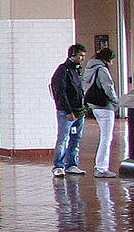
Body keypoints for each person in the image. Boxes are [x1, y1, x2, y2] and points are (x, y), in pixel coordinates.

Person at [50, 43, 89, 177]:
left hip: (79, 110)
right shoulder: (63, 70)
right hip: (67, 112)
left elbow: (79, 90)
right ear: (73, 55)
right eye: (81, 56)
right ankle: (58, 165)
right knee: (63, 138)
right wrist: (67, 111)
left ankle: (72, 164)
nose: (83, 58)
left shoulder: (77, 70)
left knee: (75, 138)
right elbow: (60, 92)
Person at [82, 46, 120, 177]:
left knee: (105, 136)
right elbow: (108, 87)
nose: (112, 63)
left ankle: (101, 166)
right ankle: (101, 167)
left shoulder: (89, 68)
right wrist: (116, 101)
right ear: (107, 59)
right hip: (104, 106)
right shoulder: (102, 69)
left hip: (94, 106)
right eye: (111, 60)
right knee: (106, 137)